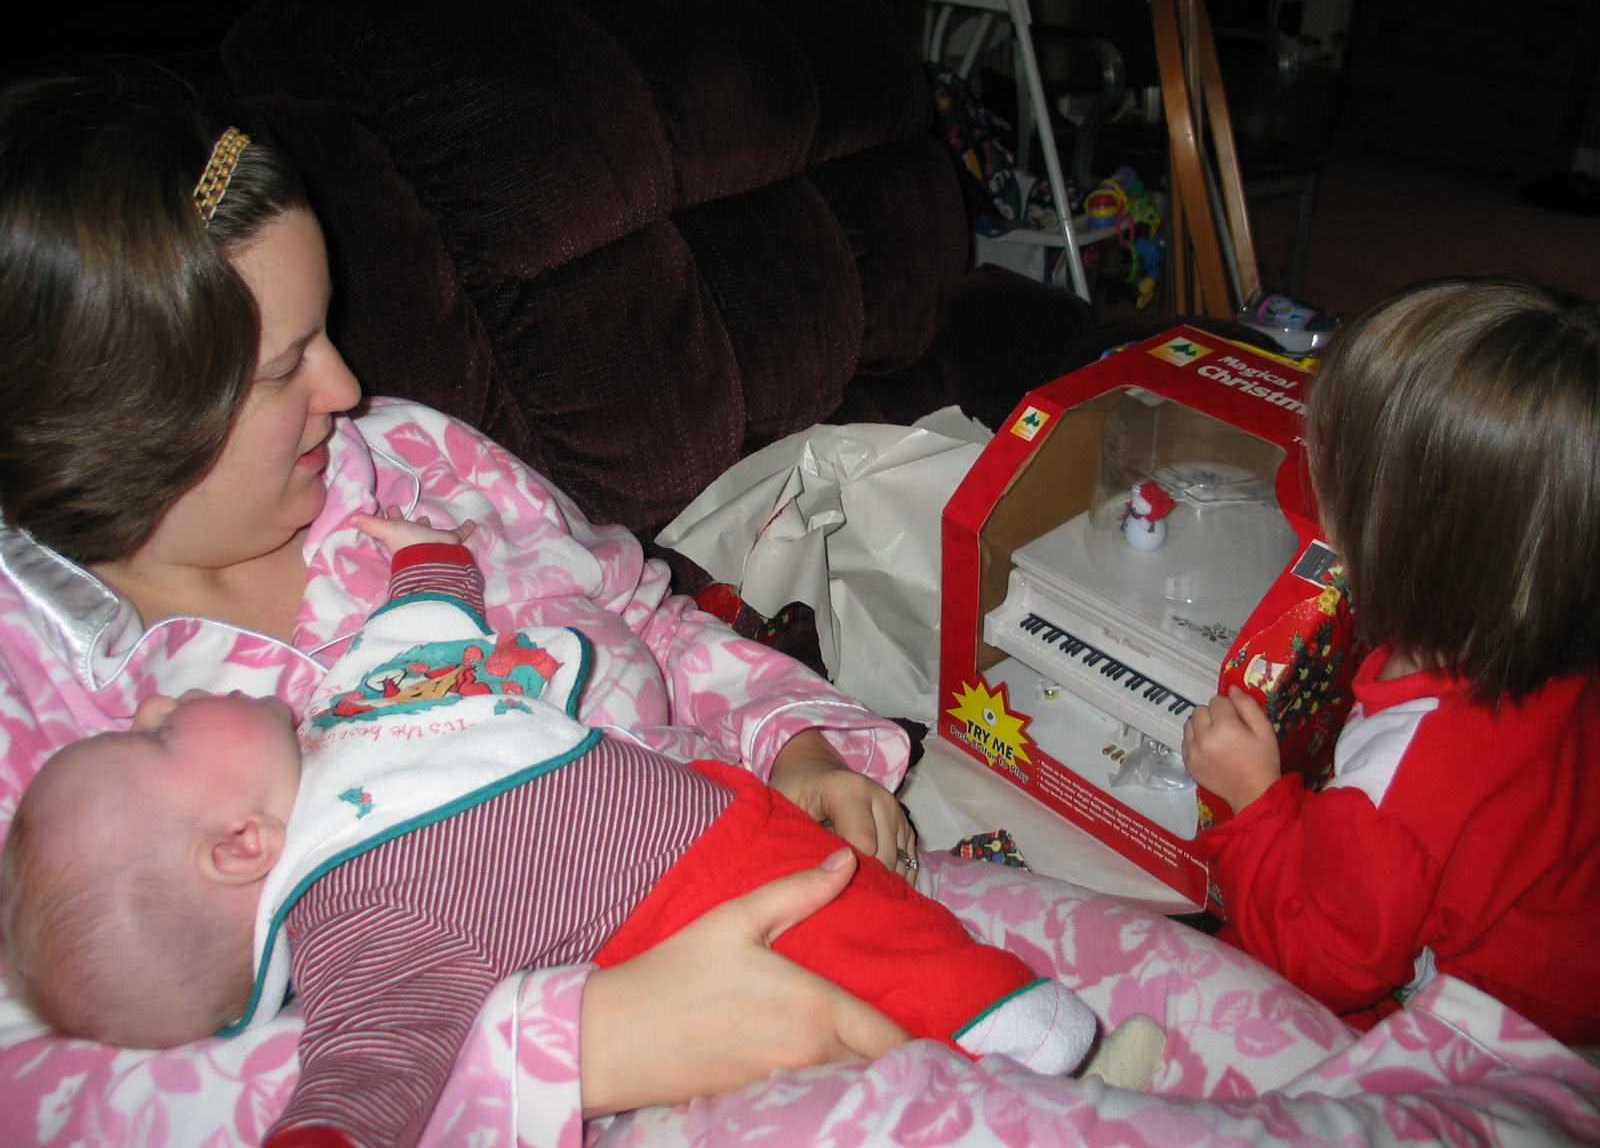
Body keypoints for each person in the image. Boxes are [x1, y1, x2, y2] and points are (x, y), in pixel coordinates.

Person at [0, 64, 1365, 1148]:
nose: (347, 387)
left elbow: (643, 612)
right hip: (624, 1086)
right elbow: (43, 1097)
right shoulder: (43, 679)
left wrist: (799, 745)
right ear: (124, 418)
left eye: (328, 333)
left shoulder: (406, 462)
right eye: (285, 366)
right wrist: (580, 1046)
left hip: (786, 867)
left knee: (1265, 1036)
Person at [0, 508, 1153, 1147]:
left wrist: (425, 554)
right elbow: (365, 1073)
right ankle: (1050, 1075)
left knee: (1008, 949)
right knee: (912, 1018)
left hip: (751, 815)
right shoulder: (351, 917)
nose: (150, 709)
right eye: (153, 742)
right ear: (239, 848)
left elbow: (435, 621)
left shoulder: (348, 709)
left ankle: (1079, 1068)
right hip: (695, 935)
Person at [1182, 276, 1600, 1045]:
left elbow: (1324, 968)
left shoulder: (1395, 781)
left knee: (1205, 982)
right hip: (1558, 946)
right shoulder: (1548, 628)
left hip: (1498, 1036)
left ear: (1405, 536)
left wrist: (1253, 800)